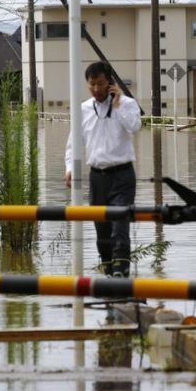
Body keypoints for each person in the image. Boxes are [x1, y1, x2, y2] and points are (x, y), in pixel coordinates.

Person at [64, 62, 141, 278]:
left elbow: (135, 127)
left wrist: (117, 107)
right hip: (97, 177)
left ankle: (121, 272)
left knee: (120, 225)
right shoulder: (83, 109)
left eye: (100, 84)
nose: (96, 89)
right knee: (102, 230)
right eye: (92, 84)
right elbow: (73, 144)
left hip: (123, 174)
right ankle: (108, 271)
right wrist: (70, 167)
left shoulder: (127, 104)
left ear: (110, 83)